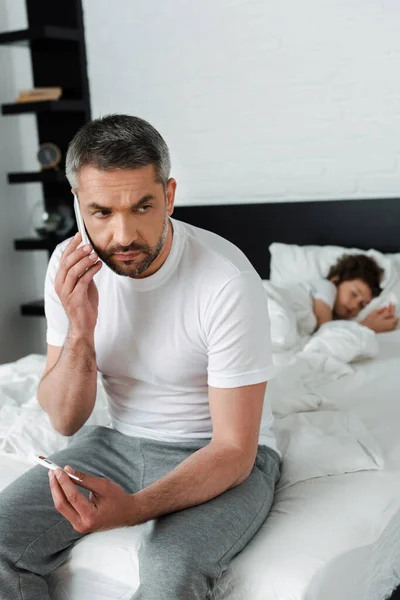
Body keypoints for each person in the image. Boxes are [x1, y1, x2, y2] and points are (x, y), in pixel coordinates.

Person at [0, 114, 280, 600]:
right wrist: (80, 332)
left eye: (142, 206)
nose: (123, 235)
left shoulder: (226, 279)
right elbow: (66, 419)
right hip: (117, 443)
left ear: (169, 196)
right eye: (102, 212)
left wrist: (133, 508)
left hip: (219, 452)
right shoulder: (68, 266)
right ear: (78, 205)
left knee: (171, 570)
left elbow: (235, 449)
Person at [309, 253, 398, 332]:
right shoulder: (326, 287)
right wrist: (367, 326)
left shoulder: (334, 321)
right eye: (354, 294)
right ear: (336, 279)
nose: (355, 305)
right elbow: (324, 335)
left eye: (361, 305)